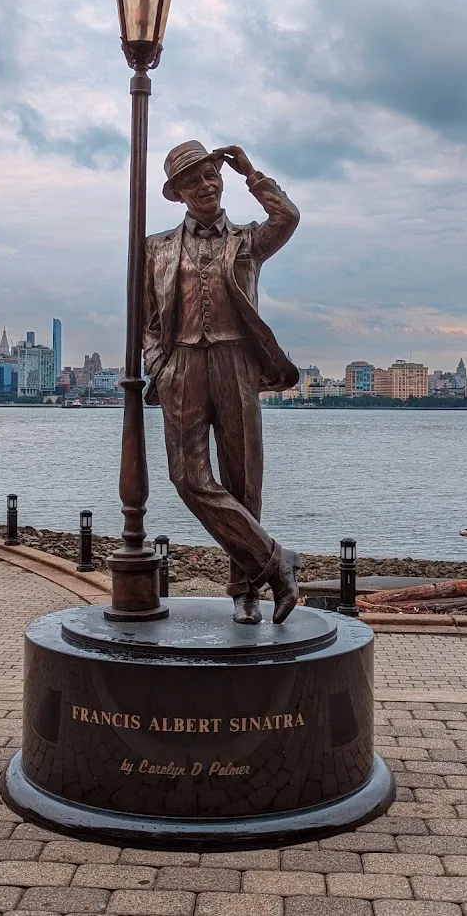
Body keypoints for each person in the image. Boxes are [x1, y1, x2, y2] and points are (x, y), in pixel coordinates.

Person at [143, 139, 301, 624]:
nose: (204, 185)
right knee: (187, 477)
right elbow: (147, 318)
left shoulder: (247, 240)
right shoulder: (158, 249)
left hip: (237, 362)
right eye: (192, 180)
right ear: (179, 193)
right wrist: (159, 364)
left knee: (242, 478)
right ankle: (276, 559)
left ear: (221, 178)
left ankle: (245, 589)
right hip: (183, 365)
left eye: (210, 175)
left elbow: (287, 218)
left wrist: (252, 171)